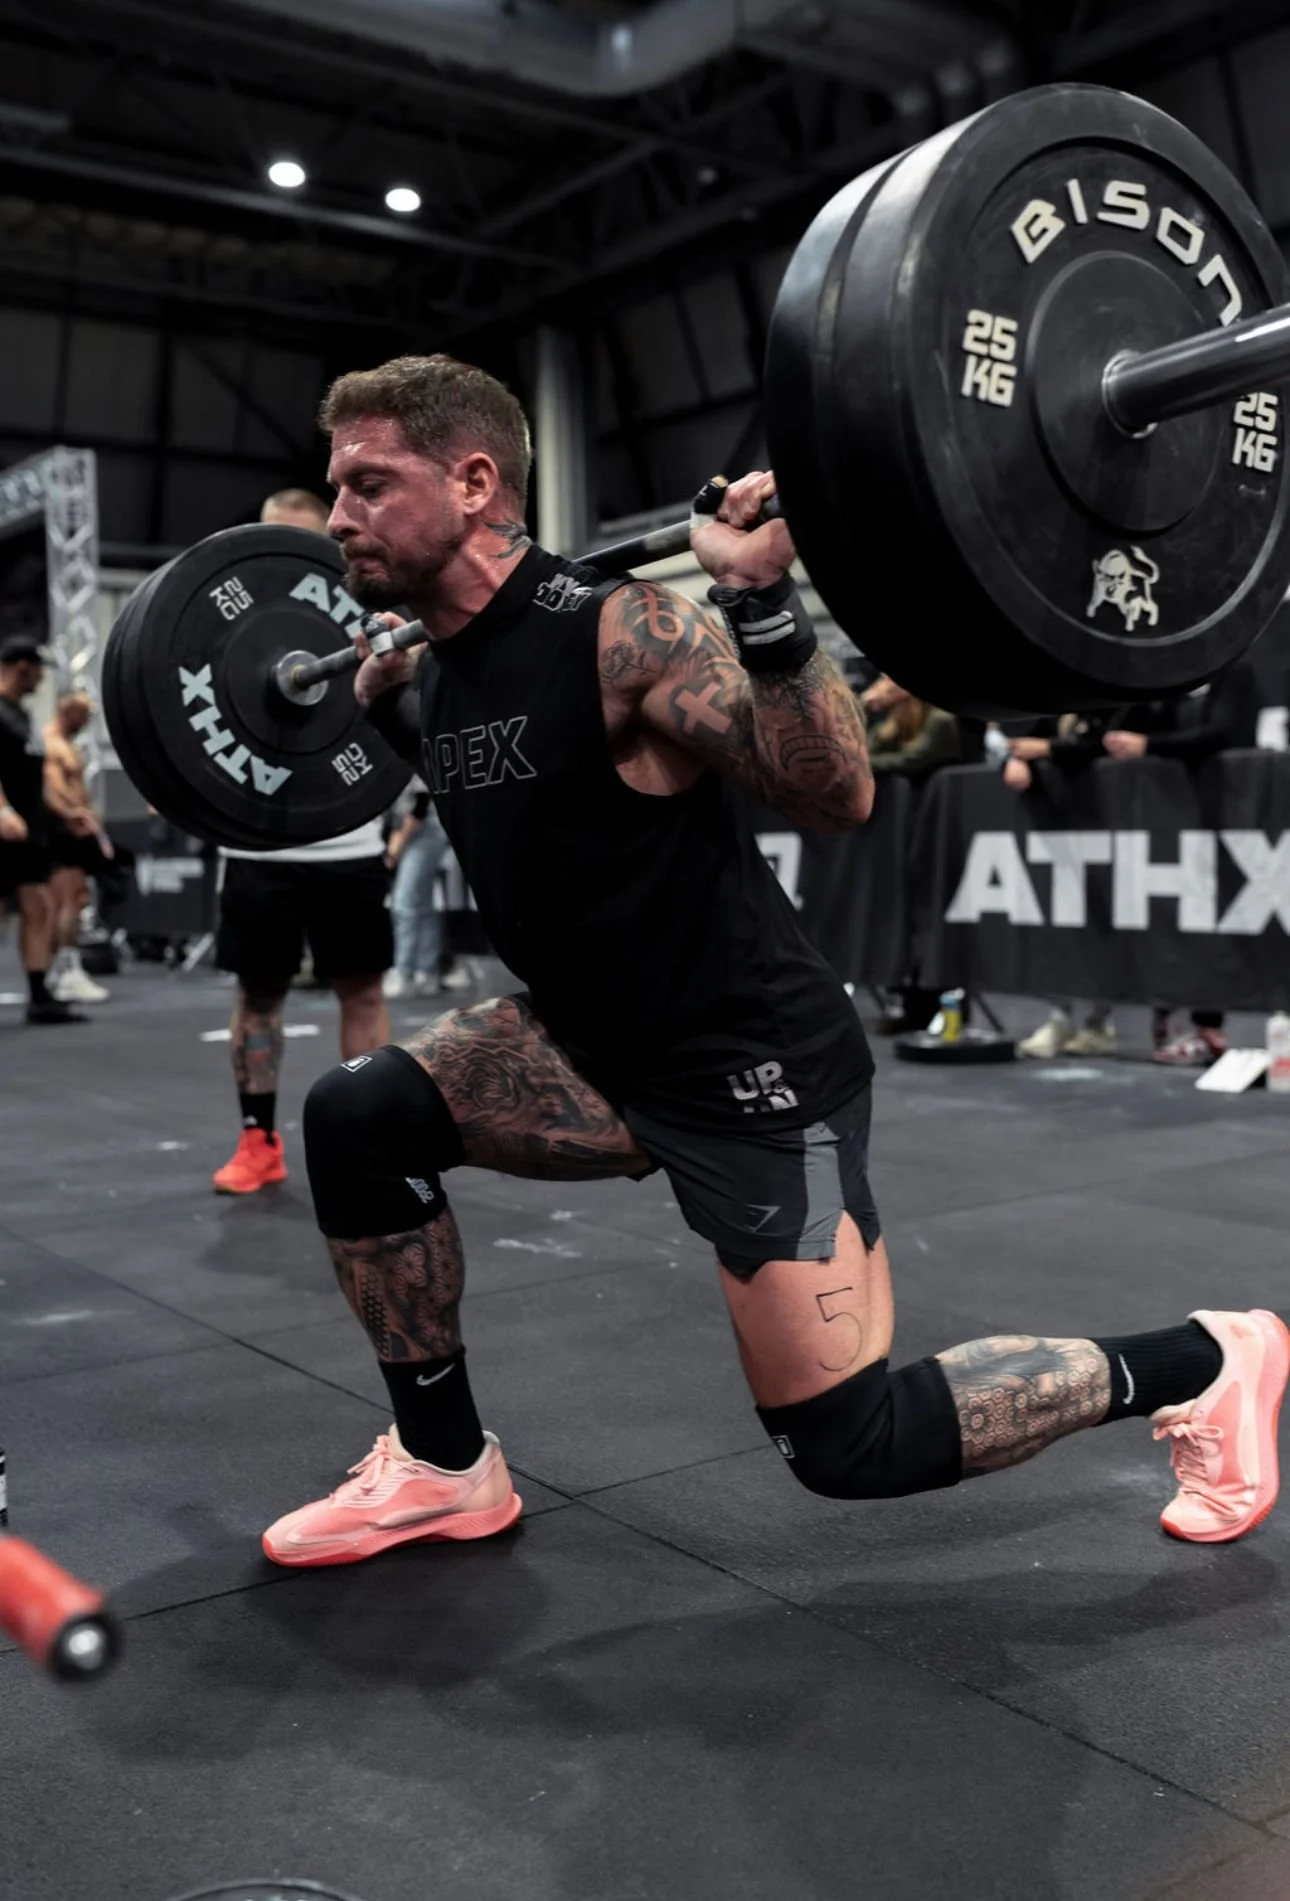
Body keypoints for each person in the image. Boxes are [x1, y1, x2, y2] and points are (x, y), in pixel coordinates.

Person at [259, 353, 1286, 1570]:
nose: (338, 519)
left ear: (476, 482)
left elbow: (840, 792)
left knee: (848, 1441)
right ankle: (443, 1464)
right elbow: (519, 790)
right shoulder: (435, 666)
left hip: (749, 1064)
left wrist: (759, 604)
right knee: (358, 1116)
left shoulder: (627, 630)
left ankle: (1210, 1356)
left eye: (369, 485)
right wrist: (383, 705)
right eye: (338, 489)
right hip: (583, 1043)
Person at [210, 487, 393, 1195]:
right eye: (269, 539)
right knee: (259, 996)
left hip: (347, 839)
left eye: (300, 541)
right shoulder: (221, 627)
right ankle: (259, 1142)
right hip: (257, 845)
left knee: (362, 990)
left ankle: (369, 1142)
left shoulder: (360, 616)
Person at [0, 636, 89, 1025]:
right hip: (3, 829)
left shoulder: (20, 714)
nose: (40, 678)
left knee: (41, 907)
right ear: (22, 667)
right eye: (37, 669)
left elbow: (36, 780)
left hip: (29, 831)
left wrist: (64, 812)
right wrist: (1, 810)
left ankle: (39, 996)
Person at [42, 689, 112, 1005]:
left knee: (75, 898)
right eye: (83, 716)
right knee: (66, 901)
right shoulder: (51, 744)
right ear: (67, 710)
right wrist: (75, 814)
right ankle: (66, 971)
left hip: (74, 831)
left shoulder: (66, 744)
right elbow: (53, 791)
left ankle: (60, 969)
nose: (85, 724)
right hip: (62, 832)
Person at [383, 779, 451, 999]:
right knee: (422, 902)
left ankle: (404, 972)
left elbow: (421, 803)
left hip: (424, 830)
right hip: (404, 828)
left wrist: (398, 845)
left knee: (404, 903)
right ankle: (427, 971)